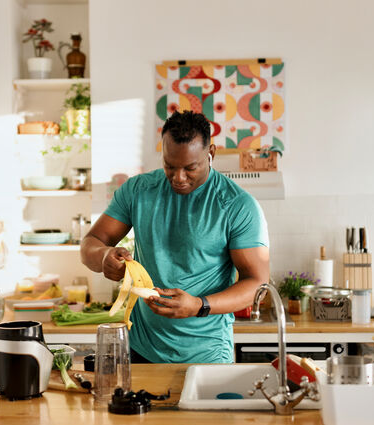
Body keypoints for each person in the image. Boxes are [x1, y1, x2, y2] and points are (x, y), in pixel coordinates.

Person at [80, 110, 269, 363]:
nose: (178, 178)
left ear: (210, 154)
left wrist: (199, 305)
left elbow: (258, 284)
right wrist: (103, 257)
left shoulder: (236, 205)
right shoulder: (138, 191)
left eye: (191, 168)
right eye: (170, 166)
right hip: (141, 349)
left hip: (207, 354)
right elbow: (90, 244)